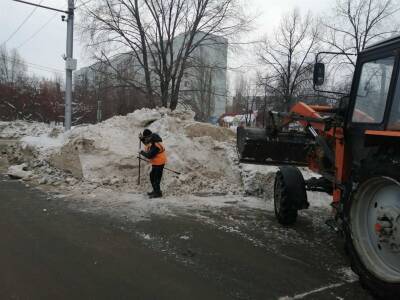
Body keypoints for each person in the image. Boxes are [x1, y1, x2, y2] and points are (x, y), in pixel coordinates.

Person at [139, 129, 167, 198]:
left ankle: (158, 193)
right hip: (156, 163)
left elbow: (149, 155)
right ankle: (155, 191)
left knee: (156, 178)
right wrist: (142, 139)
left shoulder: (156, 145)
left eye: (146, 137)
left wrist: (141, 152)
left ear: (149, 136)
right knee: (152, 176)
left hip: (159, 163)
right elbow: (147, 143)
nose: (146, 139)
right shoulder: (152, 139)